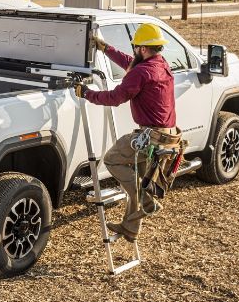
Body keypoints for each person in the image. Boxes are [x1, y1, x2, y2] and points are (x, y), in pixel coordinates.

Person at [75, 23, 180, 242]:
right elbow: (131, 65)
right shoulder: (160, 64)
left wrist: (86, 93)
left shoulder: (142, 72)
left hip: (152, 138)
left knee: (113, 159)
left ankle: (148, 202)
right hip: (169, 139)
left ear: (142, 49)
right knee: (137, 178)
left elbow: (115, 98)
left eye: (135, 48)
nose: (133, 52)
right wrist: (106, 49)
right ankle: (131, 227)